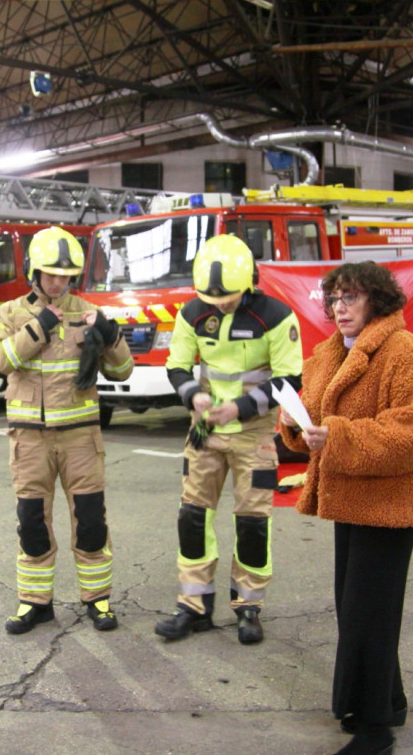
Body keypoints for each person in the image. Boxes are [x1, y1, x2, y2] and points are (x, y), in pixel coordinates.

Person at [280, 261, 413, 755]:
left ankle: (376, 731)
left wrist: (340, 436)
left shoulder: (404, 351)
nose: (340, 307)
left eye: (351, 297)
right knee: (358, 611)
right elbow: (312, 408)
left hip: (390, 500)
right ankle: (385, 702)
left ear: (377, 299)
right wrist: (298, 425)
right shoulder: (332, 351)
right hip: (352, 494)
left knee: (368, 614)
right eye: (334, 298)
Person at [0, 226, 133, 634]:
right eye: (50, 275)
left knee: (91, 522)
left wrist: (111, 334)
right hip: (29, 440)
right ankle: (35, 603)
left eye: (65, 276)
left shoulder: (86, 310)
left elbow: (122, 370)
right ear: (34, 271)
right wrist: (38, 327)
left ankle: (97, 601)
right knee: (31, 523)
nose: (58, 282)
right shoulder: (10, 314)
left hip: (81, 437)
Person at [156, 234, 302, 645]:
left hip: (252, 433)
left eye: (229, 298)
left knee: (252, 522)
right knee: (192, 517)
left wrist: (240, 407)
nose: (219, 305)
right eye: (212, 299)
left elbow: (290, 378)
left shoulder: (275, 316)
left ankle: (248, 607)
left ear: (250, 283)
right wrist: (193, 395)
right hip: (204, 430)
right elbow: (177, 365)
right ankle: (194, 605)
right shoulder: (192, 313)